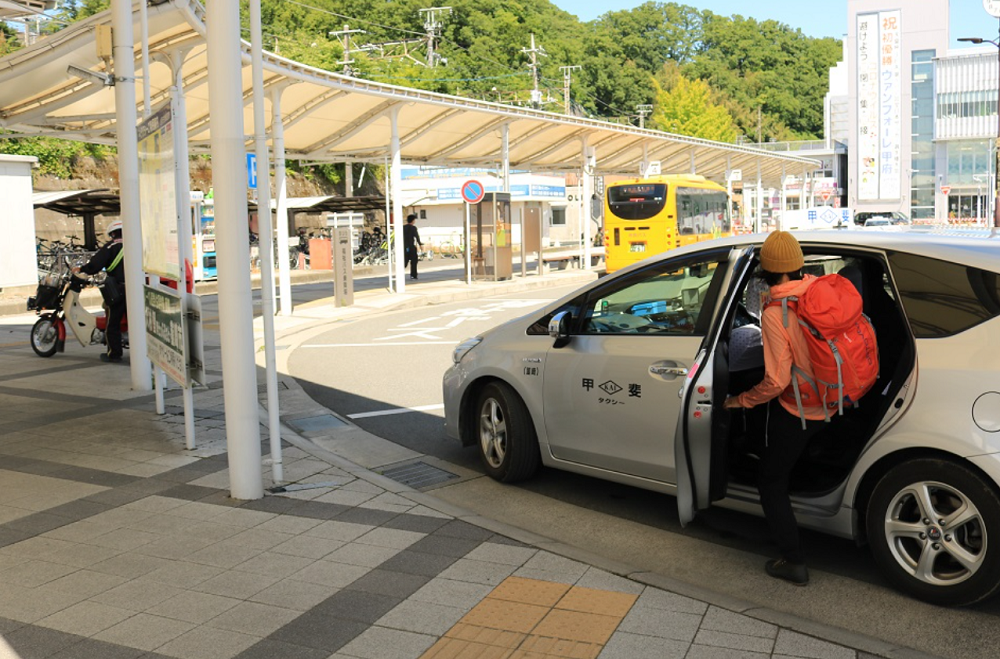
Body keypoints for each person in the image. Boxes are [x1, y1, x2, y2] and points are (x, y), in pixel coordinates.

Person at [723, 231, 826, 586]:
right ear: (799, 266)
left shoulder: (775, 311)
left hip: (800, 406)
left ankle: (793, 560)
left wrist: (739, 401)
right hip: (835, 396)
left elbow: (776, 382)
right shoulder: (818, 291)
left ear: (766, 272)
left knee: (769, 480)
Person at [75, 220, 126, 363]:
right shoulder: (137, 244)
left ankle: (114, 354)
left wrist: (81, 269)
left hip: (119, 290)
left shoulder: (111, 246)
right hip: (138, 289)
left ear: (113, 233)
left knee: (113, 322)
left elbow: (95, 265)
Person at [403, 214, 423, 280]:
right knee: (414, 261)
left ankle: (400, 273)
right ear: (413, 220)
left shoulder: (403, 227)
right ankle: (413, 275)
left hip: (404, 247)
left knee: (404, 261)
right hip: (411, 246)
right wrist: (420, 244)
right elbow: (417, 237)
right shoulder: (413, 228)